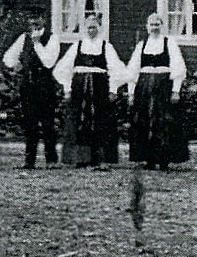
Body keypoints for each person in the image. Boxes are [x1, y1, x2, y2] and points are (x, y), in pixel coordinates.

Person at [51, 15, 127, 169]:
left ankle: (101, 159)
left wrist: (113, 89)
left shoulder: (106, 46)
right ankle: (79, 158)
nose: (91, 30)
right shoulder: (77, 46)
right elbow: (61, 69)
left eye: (94, 27)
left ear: (100, 29)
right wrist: (67, 88)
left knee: (101, 122)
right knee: (79, 121)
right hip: (79, 89)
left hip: (100, 88)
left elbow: (118, 70)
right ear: (84, 29)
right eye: (88, 27)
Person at [125, 13, 189, 171]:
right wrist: (131, 93)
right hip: (144, 87)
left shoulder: (170, 44)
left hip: (163, 87)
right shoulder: (142, 45)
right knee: (144, 121)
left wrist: (176, 90)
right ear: (147, 27)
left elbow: (178, 67)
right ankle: (148, 159)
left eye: (157, 24)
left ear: (162, 26)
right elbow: (133, 70)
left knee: (164, 122)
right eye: (151, 25)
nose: (154, 28)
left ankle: (164, 159)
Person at [1, 10, 63, 169]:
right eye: (31, 20)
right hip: (28, 86)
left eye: (37, 19)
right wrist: (15, 64)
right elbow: (8, 56)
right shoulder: (24, 38)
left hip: (45, 86)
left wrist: (37, 44)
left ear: (44, 19)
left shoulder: (52, 38)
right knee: (30, 124)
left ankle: (51, 160)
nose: (34, 23)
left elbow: (49, 62)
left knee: (48, 124)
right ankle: (29, 161)